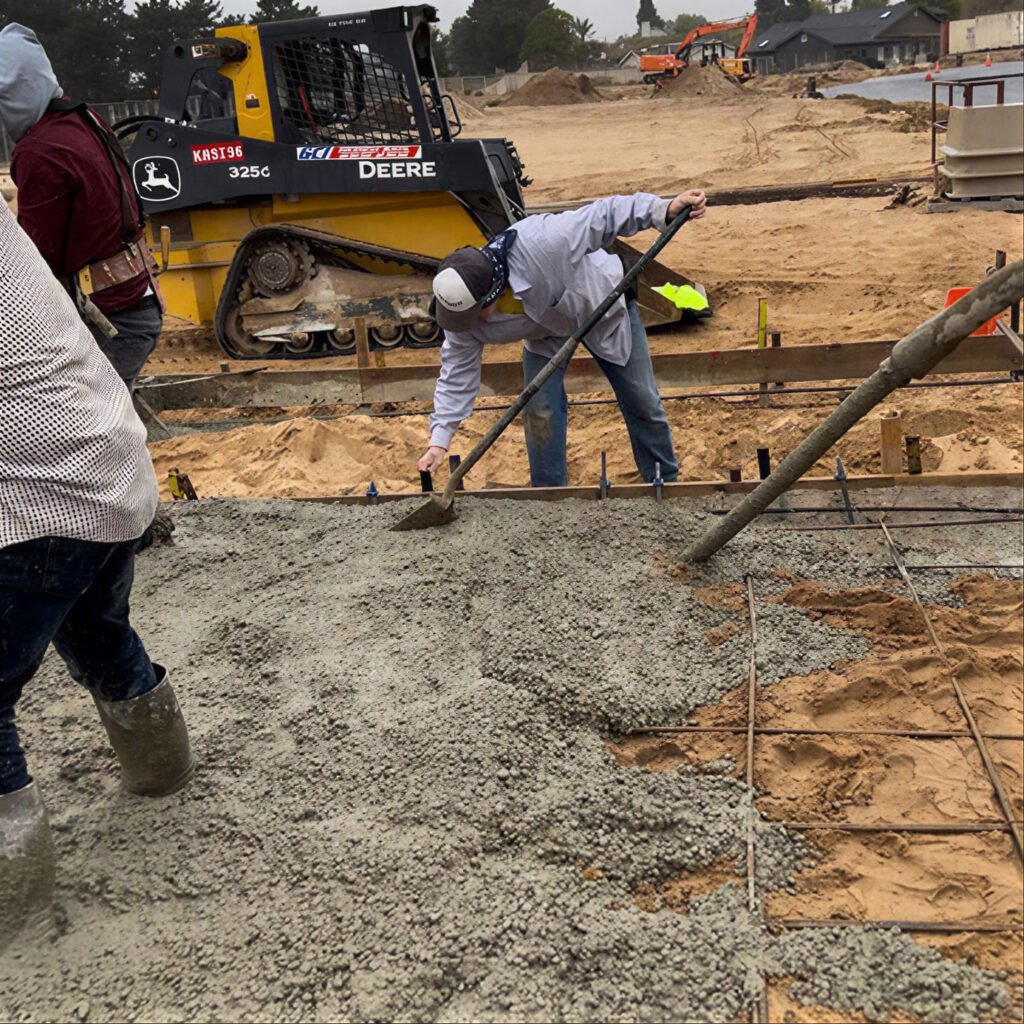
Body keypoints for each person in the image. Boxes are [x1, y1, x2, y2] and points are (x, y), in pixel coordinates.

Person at [0, 201, 194, 954]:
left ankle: (14, 903)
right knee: (98, 628)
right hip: (108, 464)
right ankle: (162, 773)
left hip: (38, 494)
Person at [418, 189, 706, 487]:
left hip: (602, 308)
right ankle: (549, 496)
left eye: (473, 314)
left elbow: (606, 215)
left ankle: (665, 481)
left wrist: (664, 209)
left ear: (493, 293)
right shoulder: (459, 315)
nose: (466, 324)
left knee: (642, 400)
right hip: (546, 332)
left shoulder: (544, 242)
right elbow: (456, 374)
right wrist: (439, 441)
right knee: (539, 409)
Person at [0, 23, 163, 392]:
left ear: (14, 93)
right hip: (137, 303)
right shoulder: (82, 119)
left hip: (111, 320)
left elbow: (37, 259)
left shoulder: (40, 150)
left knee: (57, 414)